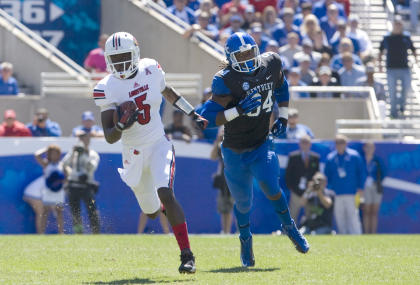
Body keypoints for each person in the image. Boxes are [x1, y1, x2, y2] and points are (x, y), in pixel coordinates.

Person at [93, 32, 207, 273]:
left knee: (165, 192)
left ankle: (187, 255)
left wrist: (192, 113)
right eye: (116, 58)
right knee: (152, 211)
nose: (121, 63)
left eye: (125, 56)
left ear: (135, 53)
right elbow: (110, 136)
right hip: (132, 152)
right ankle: (161, 208)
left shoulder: (151, 69)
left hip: (158, 143)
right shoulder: (106, 87)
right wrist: (123, 124)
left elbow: (167, 91)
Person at [198, 32, 309, 267]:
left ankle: (289, 226)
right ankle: (246, 239)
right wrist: (237, 110)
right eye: (242, 55)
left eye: (250, 53)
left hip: (261, 142)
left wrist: (284, 117)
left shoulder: (272, 63)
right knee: (243, 203)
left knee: (271, 185)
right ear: (231, 58)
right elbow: (208, 116)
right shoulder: (225, 79)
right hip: (234, 149)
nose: (248, 59)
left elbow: (282, 86)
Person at [324, 135, 366, 235]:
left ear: (346, 143)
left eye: (342, 142)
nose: (339, 145)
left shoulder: (354, 156)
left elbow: (361, 172)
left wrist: (361, 187)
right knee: (339, 216)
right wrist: (328, 190)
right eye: (337, 143)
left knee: (353, 215)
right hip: (337, 192)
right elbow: (327, 175)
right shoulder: (331, 158)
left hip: (352, 191)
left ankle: (356, 235)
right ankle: (343, 235)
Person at [62, 131, 101, 234]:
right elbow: (64, 163)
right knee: (75, 212)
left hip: (86, 185)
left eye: (85, 138)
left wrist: (86, 153)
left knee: (92, 210)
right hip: (73, 185)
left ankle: (96, 232)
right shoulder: (73, 153)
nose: (82, 140)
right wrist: (73, 153)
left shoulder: (92, 154)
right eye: (80, 138)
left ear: (89, 139)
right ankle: (78, 232)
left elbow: (92, 167)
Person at [378, 16, 417, 118]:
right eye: (396, 23)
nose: (398, 26)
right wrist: (380, 65)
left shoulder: (406, 37)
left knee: (406, 90)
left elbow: (413, 50)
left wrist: (416, 61)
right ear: (393, 24)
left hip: (405, 68)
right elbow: (380, 51)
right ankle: (393, 113)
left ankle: (402, 108)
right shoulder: (387, 37)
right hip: (391, 69)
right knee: (392, 92)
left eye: (400, 23)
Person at [285, 135, 320, 222]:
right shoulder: (293, 156)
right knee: (293, 214)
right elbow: (288, 175)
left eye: (307, 142)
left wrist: (311, 189)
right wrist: (294, 189)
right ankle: (290, 232)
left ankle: (310, 231)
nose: (305, 145)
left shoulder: (315, 157)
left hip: (309, 191)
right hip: (296, 191)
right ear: (300, 144)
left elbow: (317, 175)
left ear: (310, 144)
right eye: (303, 142)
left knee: (310, 215)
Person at [34, 145, 66, 234]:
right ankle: (41, 233)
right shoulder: (46, 164)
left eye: (56, 153)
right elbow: (37, 155)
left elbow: (66, 177)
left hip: (59, 192)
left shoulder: (62, 164)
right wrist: (46, 149)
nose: (54, 155)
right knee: (45, 212)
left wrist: (61, 182)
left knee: (59, 211)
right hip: (48, 191)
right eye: (52, 153)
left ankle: (61, 233)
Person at [210, 127, 234, 234]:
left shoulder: (233, 144)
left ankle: (229, 231)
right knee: (223, 207)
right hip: (223, 179)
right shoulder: (220, 145)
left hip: (233, 178)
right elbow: (212, 156)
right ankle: (225, 231)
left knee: (231, 206)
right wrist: (217, 141)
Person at [362, 142, 386, 234]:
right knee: (366, 210)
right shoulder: (361, 160)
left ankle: (373, 232)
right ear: (364, 148)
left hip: (375, 187)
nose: (369, 149)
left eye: (371, 147)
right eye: (367, 147)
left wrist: (377, 181)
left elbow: (383, 173)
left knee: (374, 211)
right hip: (364, 187)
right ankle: (367, 232)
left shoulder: (377, 160)